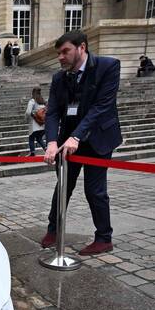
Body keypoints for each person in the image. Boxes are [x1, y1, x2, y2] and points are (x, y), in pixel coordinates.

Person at [40, 30, 122, 255]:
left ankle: (104, 238)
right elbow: (53, 112)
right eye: (58, 53)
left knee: (94, 190)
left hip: (98, 138)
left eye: (65, 51)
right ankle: (53, 229)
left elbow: (102, 107)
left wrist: (77, 136)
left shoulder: (108, 67)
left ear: (82, 48)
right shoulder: (59, 77)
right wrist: (51, 142)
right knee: (63, 186)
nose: (60, 57)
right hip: (68, 141)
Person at [26, 87, 47, 156]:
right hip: (42, 124)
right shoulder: (42, 101)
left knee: (31, 138)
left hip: (34, 125)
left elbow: (28, 112)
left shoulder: (32, 101)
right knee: (39, 138)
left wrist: (27, 118)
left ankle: (32, 152)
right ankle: (46, 149)